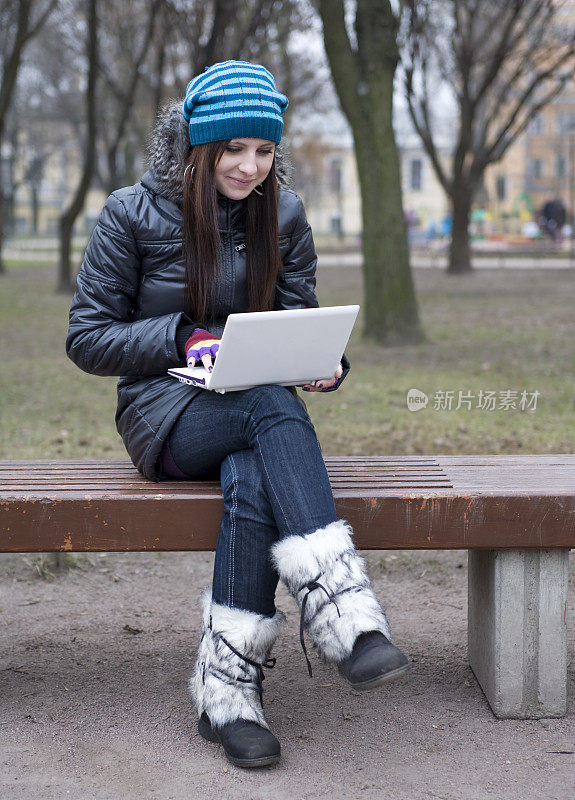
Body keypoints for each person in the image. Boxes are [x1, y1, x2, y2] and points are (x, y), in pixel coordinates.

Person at [66, 60, 409, 769]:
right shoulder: (130, 212)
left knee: (254, 466)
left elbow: (295, 317)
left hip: (250, 413)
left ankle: (229, 698)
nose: (250, 167)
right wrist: (180, 336)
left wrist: (322, 362)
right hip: (163, 413)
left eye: (263, 150)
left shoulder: (283, 213)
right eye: (233, 150)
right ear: (198, 147)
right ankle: (344, 614)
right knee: (265, 403)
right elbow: (86, 338)